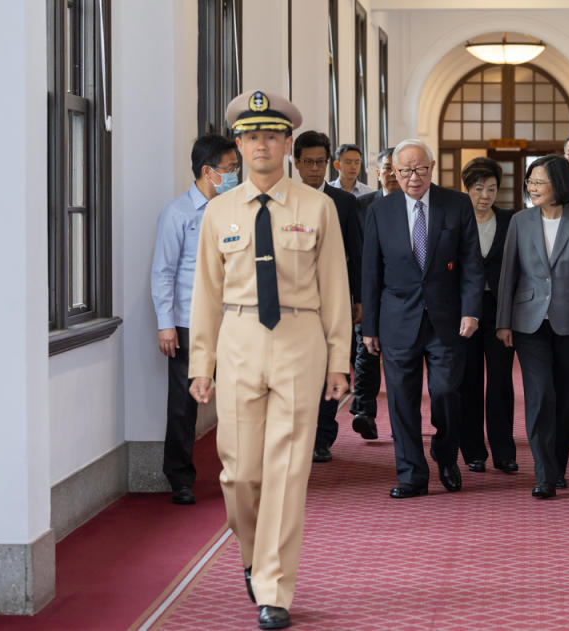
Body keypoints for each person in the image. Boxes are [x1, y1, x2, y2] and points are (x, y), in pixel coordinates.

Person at [188, 89, 351, 630]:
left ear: (286, 143)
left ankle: (274, 588)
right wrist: (200, 365)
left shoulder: (317, 206)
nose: (262, 144)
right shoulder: (219, 212)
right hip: (238, 339)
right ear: (239, 143)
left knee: (287, 471)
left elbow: (334, 287)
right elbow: (206, 296)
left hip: (300, 340)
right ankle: (254, 556)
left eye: (272, 135)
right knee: (239, 473)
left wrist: (338, 360)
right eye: (251, 135)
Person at [361, 138, 484, 498]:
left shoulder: (457, 204)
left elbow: (472, 264)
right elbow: (371, 273)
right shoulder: (380, 212)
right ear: (393, 173)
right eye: (405, 170)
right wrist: (369, 326)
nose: (413, 177)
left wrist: (471, 309)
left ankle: (445, 454)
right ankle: (411, 474)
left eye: (420, 169)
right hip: (397, 320)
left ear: (432, 168)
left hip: (447, 319)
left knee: (446, 392)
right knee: (401, 399)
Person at [496, 155, 569, 498]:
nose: (532, 188)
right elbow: (508, 275)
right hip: (529, 322)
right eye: (530, 182)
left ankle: (557, 467)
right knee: (541, 394)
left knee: (566, 401)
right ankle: (543, 475)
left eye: (538, 182)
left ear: (557, 184)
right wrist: (503, 322)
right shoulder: (520, 221)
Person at [150, 134, 239, 506]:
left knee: (239, 399)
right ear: (208, 172)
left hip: (233, 319)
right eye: (231, 169)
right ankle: (180, 478)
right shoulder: (177, 214)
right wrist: (165, 323)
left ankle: (242, 472)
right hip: (188, 324)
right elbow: (163, 271)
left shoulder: (235, 210)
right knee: (184, 406)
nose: (236, 175)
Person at [292, 130, 364, 462]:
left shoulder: (344, 203)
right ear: (296, 163)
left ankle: (322, 437)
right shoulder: (283, 200)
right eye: (308, 162)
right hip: (292, 303)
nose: (315, 169)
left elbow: (357, 252)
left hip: (333, 301)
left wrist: (360, 298)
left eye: (321, 162)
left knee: (332, 367)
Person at [457, 158, 517, 474]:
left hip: (499, 312)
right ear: (466, 188)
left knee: (500, 384)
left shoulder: (510, 221)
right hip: (465, 313)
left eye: (491, 188)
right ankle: (473, 451)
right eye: (479, 188)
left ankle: (504, 450)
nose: (485, 195)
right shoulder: (455, 219)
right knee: (468, 383)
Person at [348, 147, 400, 438]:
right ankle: (364, 411)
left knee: (398, 358)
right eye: (386, 168)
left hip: (401, 294)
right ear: (377, 172)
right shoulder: (361, 205)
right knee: (365, 352)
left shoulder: (413, 204)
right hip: (368, 292)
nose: (391, 174)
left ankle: (400, 418)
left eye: (396, 168)